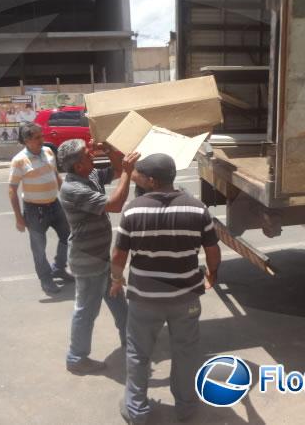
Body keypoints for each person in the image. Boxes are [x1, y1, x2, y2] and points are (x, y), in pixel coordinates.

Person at [110, 153, 221, 424]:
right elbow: (212, 250)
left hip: (144, 298)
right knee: (185, 351)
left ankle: (136, 410)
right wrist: (213, 273)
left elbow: (118, 255)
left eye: (138, 173)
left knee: (138, 352)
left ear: (151, 180)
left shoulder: (134, 210)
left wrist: (116, 279)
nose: (135, 176)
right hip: (186, 298)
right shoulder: (197, 208)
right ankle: (185, 407)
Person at [57, 139, 140, 375]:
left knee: (118, 300)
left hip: (100, 257)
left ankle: (130, 339)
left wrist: (111, 149)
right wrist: (128, 171)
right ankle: (76, 358)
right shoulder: (73, 189)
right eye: (87, 154)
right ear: (78, 166)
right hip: (88, 260)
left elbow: (114, 170)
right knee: (86, 310)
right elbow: (114, 204)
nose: (92, 155)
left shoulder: (89, 175)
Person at [8, 122, 72, 296]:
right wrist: (18, 218)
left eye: (42, 135)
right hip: (35, 210)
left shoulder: (49, 152)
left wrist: (67, 197)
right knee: (38, 248)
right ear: (27, 140)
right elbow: (12, 189)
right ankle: (45, 279)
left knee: (68, 236)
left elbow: (56, 176)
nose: (42, 139)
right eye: (37, 137)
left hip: (55, 205)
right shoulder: (19, 160)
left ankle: (59, 268)